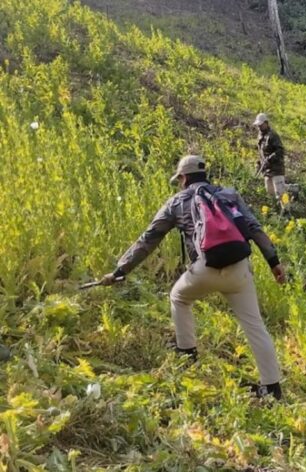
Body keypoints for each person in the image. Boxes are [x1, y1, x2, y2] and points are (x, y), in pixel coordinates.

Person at [100, 155, 286, 399]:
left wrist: (120, 271)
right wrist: (274, 263)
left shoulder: (177, 202)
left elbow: (149, 239)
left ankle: (187, 351)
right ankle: (271, 389)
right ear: (204, 175)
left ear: (183, 177)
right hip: (239, 269)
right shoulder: (228, 194)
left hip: (204, 269)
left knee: (178, 297)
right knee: (255, 326)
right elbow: (254, 228)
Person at [254, 113, 286, 207]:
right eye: (258, 125)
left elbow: (280, 151)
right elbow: (261, 152)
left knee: (280, 192)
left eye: (261, 124)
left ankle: (286, 211)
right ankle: (275, 209)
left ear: (266, 123)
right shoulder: (260, 136)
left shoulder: (273, 135)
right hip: (267, 169)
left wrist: (270, 159)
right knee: (269, 191)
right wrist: (259, 162)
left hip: (276, 168)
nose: (259, 126)